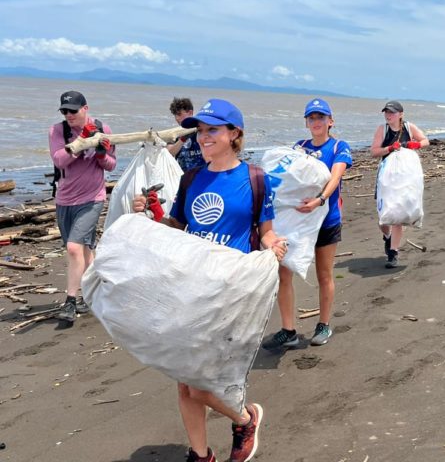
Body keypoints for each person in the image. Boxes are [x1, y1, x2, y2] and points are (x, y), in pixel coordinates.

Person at [132, 99, 287, 462]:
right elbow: (178, 229)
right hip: (190, 287)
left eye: (213, 130)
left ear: (234, 134)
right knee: (184, 381)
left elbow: (265, 232)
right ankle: (201, 455)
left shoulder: (255, 179)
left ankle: (245, 418)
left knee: (202, 385)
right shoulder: (191, 178)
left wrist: (274, 245)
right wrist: (152, 215)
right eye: (201, 131)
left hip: (231, 291)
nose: (204, 138)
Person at [263, 98, 352, 350]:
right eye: (311, 118)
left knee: (324, 273)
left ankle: (323, 324)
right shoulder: (298, 146)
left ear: (330, 121)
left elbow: (336, 175)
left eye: (320, 117)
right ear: (306, 122)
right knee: (284, 273)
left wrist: (320, 200)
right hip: (297, 223)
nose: (316, 122)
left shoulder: (338, 147)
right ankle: (288, 330)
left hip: (326, 219)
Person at [49, 91, 116, 323]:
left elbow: (110, 165)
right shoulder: (58, 131)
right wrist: (80, 143)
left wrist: (100, 154)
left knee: (74, 248)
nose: (69, 115)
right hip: (65, 199)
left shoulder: (102, 128)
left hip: (92, 198)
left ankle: (70, 301)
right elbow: (58, 159)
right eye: (64, 111)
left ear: (85, 108)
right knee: (85, 250)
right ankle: (96, 290)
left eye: (73, 111)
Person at [370, 100, 429, 267]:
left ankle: (393, 252)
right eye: (386, 113)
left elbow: (425, 140)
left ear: (400, 114)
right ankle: (387, 237)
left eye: (392, 113)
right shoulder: (383, 130)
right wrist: (389, 148)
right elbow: (374, 151)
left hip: (405, 177)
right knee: (384, 217)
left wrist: (415, 144)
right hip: (387, 178)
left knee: (398, 213)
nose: (388, 115)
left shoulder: (409, 127)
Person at [168, 97, 206, 172]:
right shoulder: (175, 134)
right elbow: (169, 153)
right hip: (183, 177)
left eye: (179, 114)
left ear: (190, 113)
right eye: (175, 115)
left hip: (203, 175)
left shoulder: (202, 129)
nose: (177, 118)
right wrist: (182, 139)